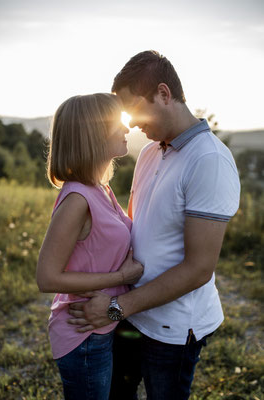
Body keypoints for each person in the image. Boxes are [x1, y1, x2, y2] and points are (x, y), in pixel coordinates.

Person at [68, 51, 241, 400]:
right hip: (131, 313)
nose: (130, 123)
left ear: (164, 94)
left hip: (172, 329)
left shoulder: (209, 161)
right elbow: (135, 229)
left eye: (134, 109)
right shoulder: (149, 152)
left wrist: (116, 309)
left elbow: (198, 270)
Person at [36, 93, 144, 400]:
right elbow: (47, 278)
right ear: (92, 133)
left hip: (105, 323)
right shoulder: (77, 200)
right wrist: (121, 278)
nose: (126, 128)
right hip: (83, 334)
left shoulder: (101, 188)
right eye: (116, 123)